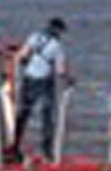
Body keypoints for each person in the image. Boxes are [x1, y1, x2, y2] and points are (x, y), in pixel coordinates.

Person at [13, 17, 69, 159]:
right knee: (47, 116)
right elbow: (60, 70)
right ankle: (47, 151)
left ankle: (15, 144)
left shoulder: (34, 37)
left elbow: (22, 55)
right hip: (45, 81)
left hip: (28, 79)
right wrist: (69, 79)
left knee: (23, 112)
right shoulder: (57, 46)